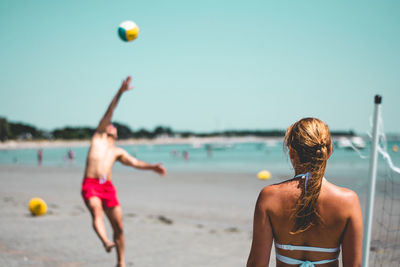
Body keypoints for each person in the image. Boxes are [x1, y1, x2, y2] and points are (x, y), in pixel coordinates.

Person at [247, 118, 362, 267]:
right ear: (329, 151)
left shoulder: (269, 197)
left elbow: (257, 264)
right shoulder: (348, 201)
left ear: (292, 153)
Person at [81, 76, 167, 267]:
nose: (111, 125)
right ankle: (105, 241)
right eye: (109, 124)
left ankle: (121, 263)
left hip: (107, 186)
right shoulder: (98, 138)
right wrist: (120, 92)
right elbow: (110, 111)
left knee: (119, 226)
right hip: (91, 184)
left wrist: (153, 167)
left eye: (114, 126)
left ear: (116, 134)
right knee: (96, 211)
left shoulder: (117, 151)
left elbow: (135, 163)